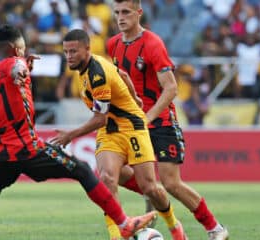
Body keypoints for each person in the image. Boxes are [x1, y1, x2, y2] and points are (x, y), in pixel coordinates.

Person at [0, 24, 156, 240]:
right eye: (22, 49)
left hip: (0, 153)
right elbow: (14, 69)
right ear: (15, 48)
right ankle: (124, 223)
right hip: (26, 148)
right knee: (83, 170)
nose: (24, 54)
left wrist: (22, 72)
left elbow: (6, 86)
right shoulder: (17, 64)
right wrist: (21, 70)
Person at [106, 1, 229, 240]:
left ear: (138, 13)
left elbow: (171, 88)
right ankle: (153, 200)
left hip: (161, 121)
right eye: (117, 13)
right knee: (115, 173)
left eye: (126, 12)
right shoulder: (113, 45)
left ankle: (215, 228)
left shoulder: (152, 43)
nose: (121, 18)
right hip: (132, 123)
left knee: (171, 182)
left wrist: (148, 117)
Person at [54, 29, 187, 240]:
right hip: (110, 131)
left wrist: (71, 135)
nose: (69, 56)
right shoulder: (87, 68)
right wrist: (135, 97)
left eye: (73, 51)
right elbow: (123, 75)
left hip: (132, 126)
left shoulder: (97, 73)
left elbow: (100, 118)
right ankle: (117, 235)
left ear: (87, 49)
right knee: (107, 178)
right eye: (66, 52)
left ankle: (174, 226)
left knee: (150, 188)